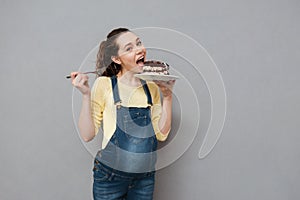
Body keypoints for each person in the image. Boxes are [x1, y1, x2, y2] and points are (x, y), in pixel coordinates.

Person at [70, 27, 175, 200]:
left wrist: (168, 97)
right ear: (117, 59)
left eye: (139, 43)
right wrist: (86, 95)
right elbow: (87, 135)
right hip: (110, 179)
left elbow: (161, 135)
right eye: (129, 48)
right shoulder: (105, 84)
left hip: (144, 179)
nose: (139, 49)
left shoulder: (152, 88)